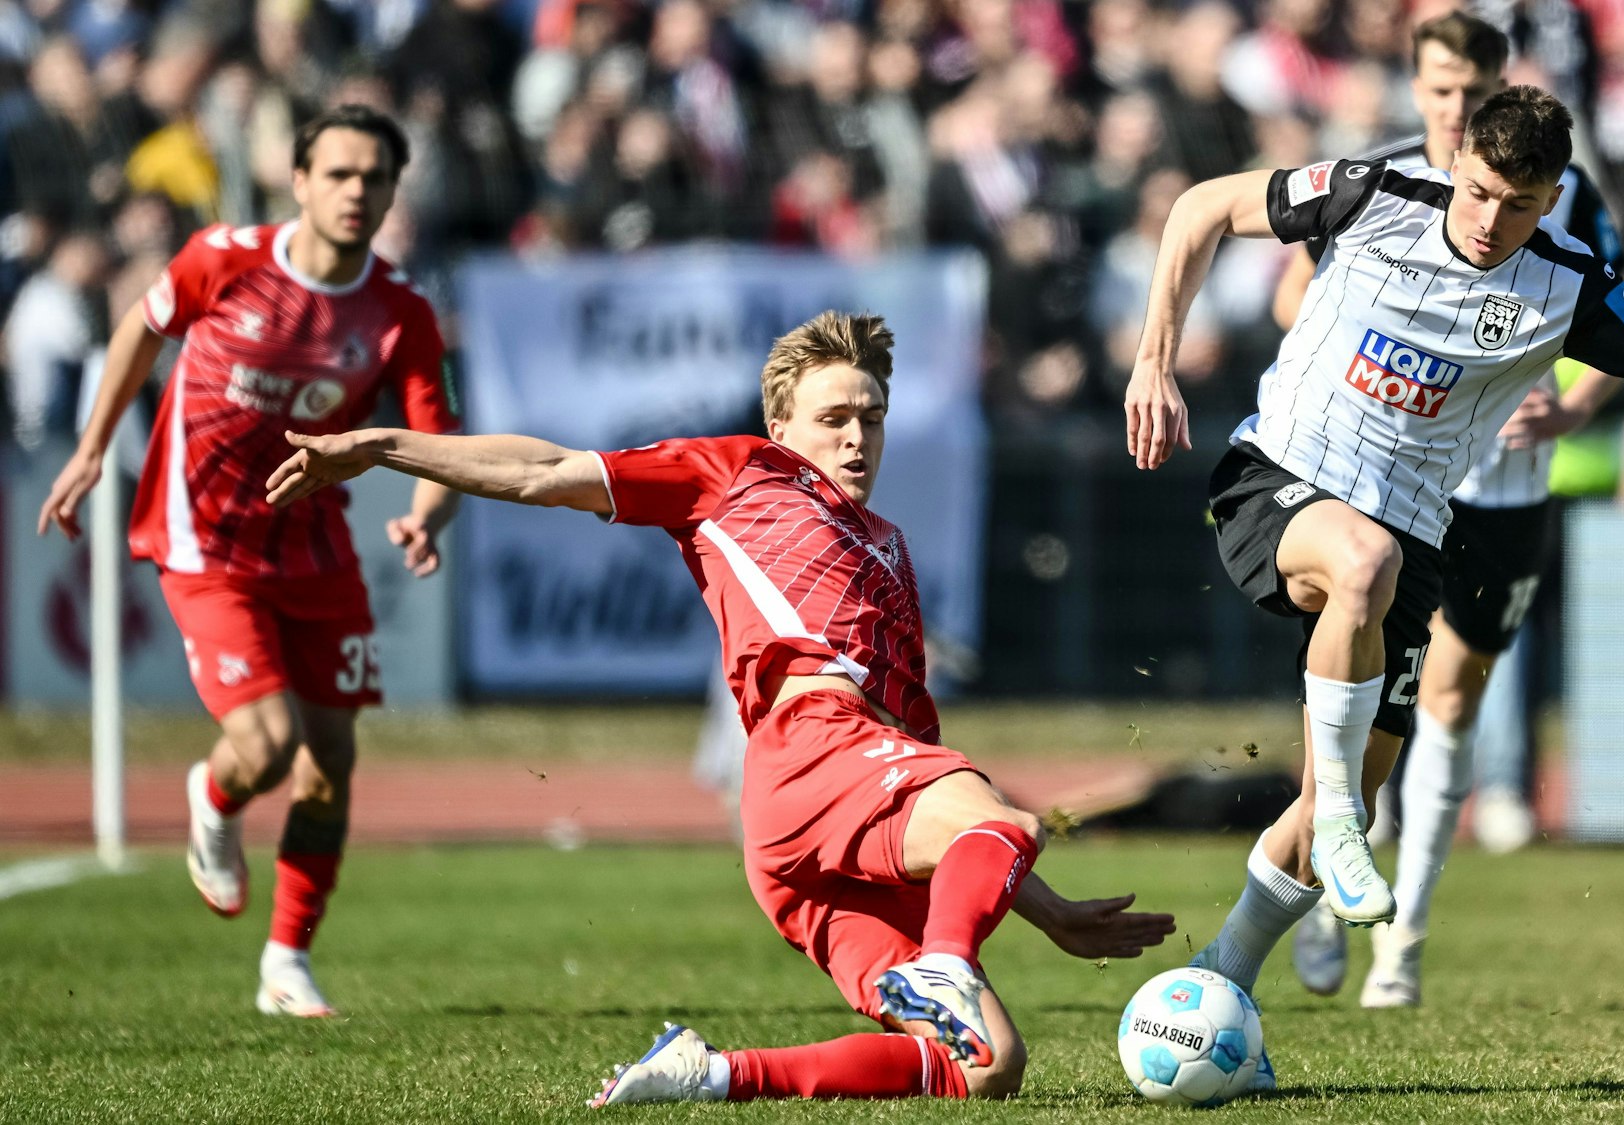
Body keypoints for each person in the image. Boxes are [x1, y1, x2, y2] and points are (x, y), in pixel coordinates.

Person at [1122, 85, 1624, 1079]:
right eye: (1474, 193)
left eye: (1516, 205)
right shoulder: (1367, 191)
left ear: (1551, 196)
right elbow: (1199, 207)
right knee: (1357, 578)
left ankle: (1221, 979)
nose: (1486, 221)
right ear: (1454, 164)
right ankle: (1347, 823)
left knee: (1342, 748)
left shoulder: (1569, 283)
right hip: (1280, 480)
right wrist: (1153, 358)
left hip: (1407, 544)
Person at [265, 311, 1178, 1104]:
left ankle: (710, 1072)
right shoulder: (734, 472)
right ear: (781, 424)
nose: (857, 437)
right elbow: (544, 469)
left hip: (809, 819)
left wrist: (1048, 912)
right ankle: (943, 963)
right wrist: (381, 446)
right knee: (1011, 820)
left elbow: (946, 818)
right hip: (810, 747)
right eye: (833, 418)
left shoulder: (890, 554)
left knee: (985, 1065)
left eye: (872, 417)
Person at [36, 105, 460, 1018]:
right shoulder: (222, 258)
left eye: (373, 178)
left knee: (329, 761)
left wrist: (429, 515)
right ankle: (216, 793)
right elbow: (140, 331)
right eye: (338, 174)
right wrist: (89, 448)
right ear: (298, 181)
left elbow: (437, 437)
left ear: (392, 192)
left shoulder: (400, 310)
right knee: (266, 746)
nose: (356, 192)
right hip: (207, 540)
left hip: (316, 544)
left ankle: (286, 963)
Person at [1269, 10, 1624, 1010]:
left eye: (1470, 92)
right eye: (1436, 91)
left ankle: (1404, 943)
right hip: (1377, 479)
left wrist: (1572, 407)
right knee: (1354, 708)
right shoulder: (1376, 179)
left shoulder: (1565, 197)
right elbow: (1287, 300)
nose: (1452, 108)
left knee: (1450, 700)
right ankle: (1312, 890)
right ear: (1417, 87)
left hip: (1503, 484)